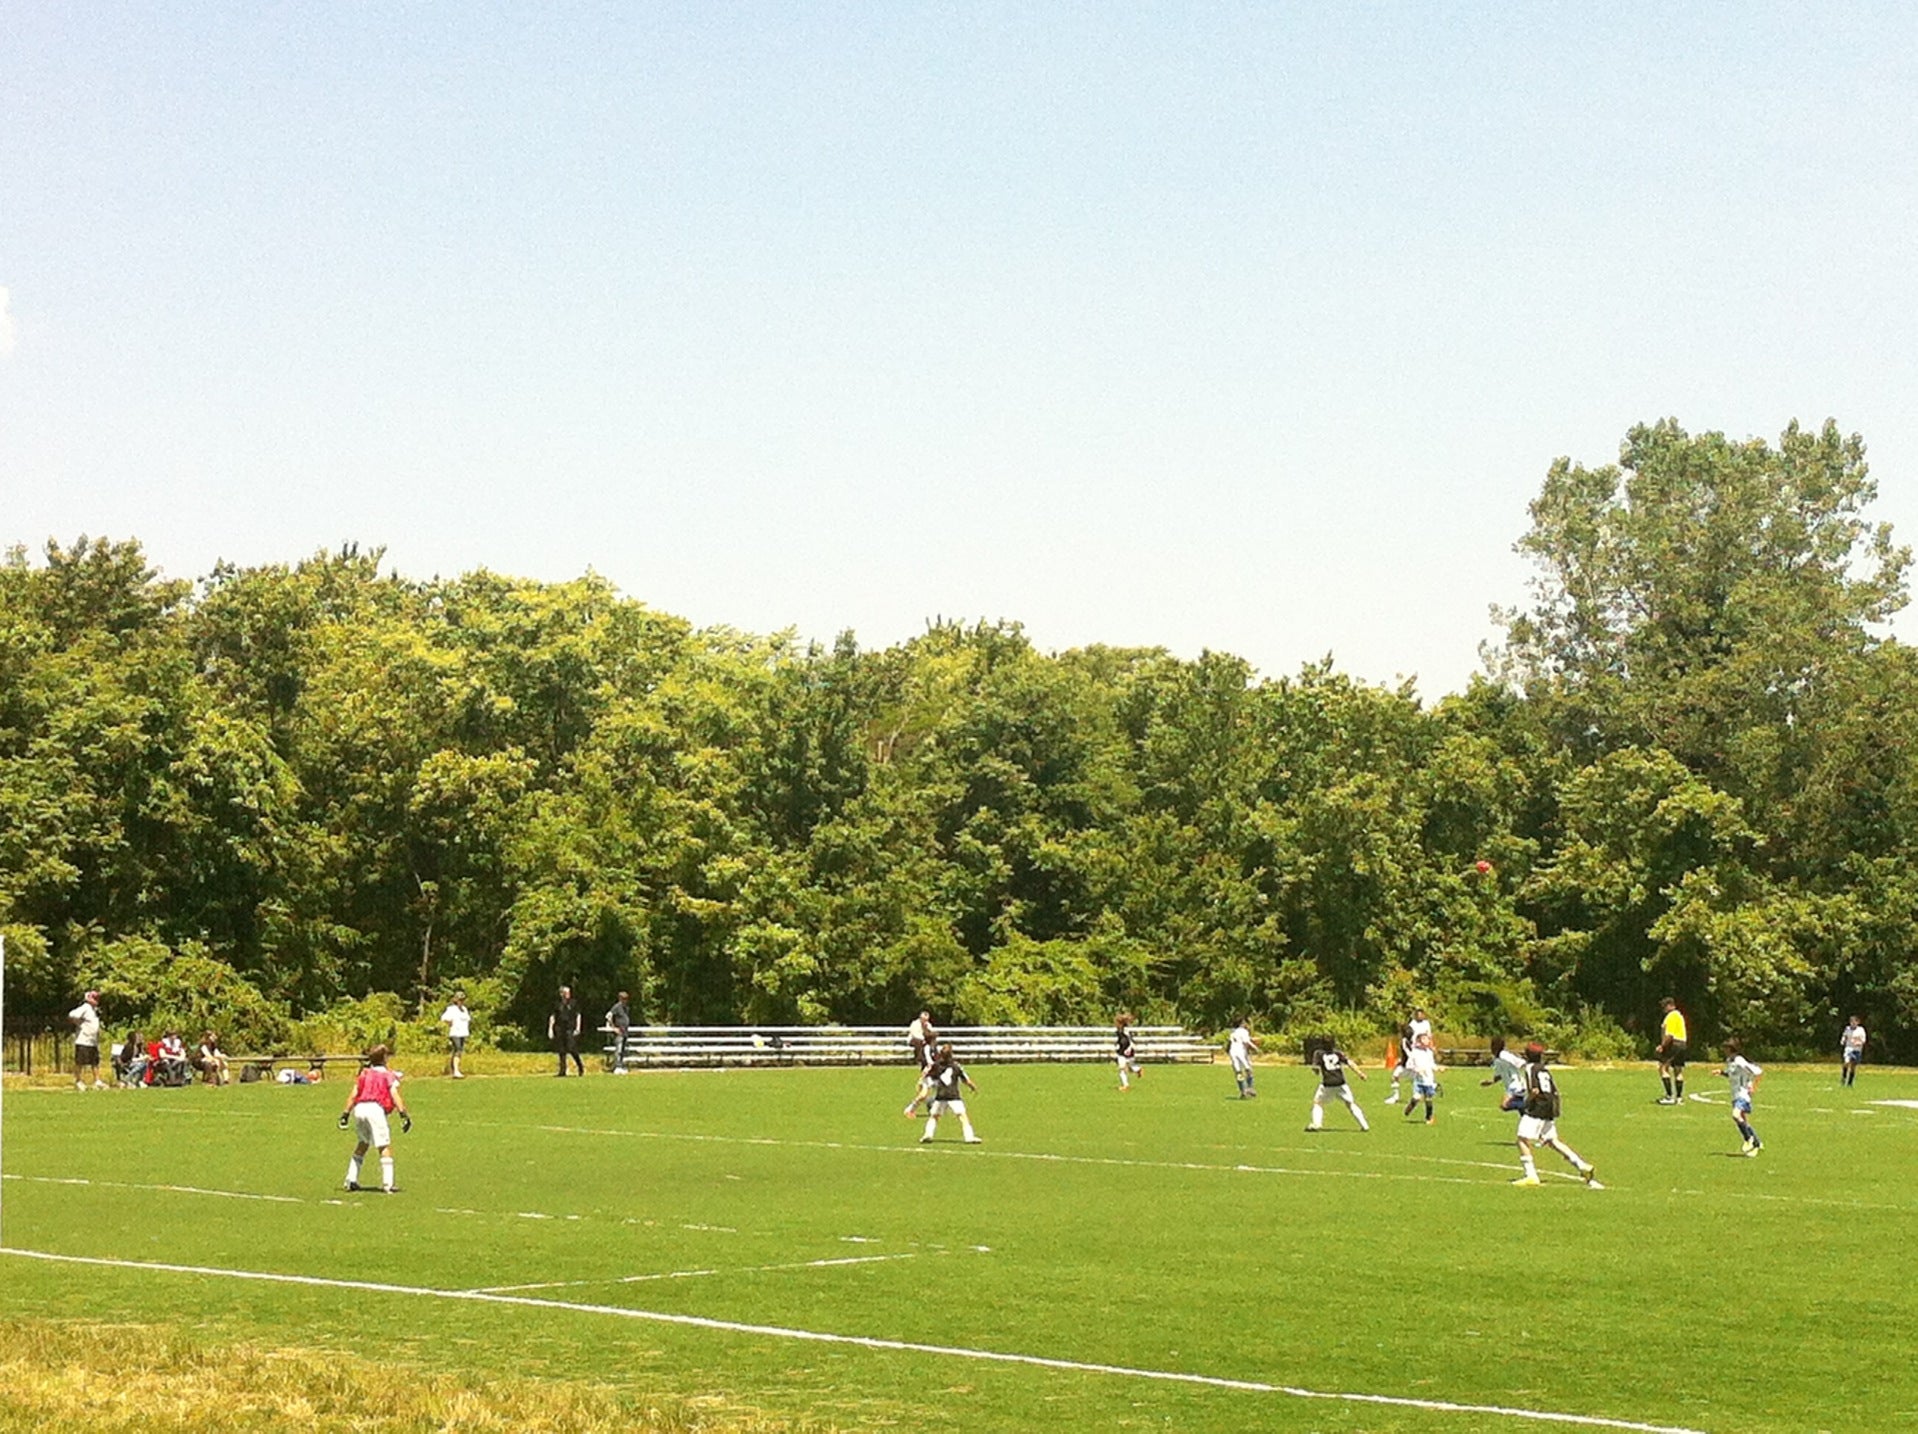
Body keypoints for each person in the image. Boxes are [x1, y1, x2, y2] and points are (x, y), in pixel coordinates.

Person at [1512, 1043, 1601, 1188]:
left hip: (1538, 1107)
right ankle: (1582, 1165)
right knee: (1552, 1141)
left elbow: (1534, 1090)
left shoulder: (1530, 1068)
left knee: (1522, 1139)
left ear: (1526, 1055)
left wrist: (1527, 1102)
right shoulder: (1544, 1069)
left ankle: (1531, 1175)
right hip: (1550, 1106)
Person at [339, 1044, 411, 1193]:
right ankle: (388, 1184)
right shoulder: (388, 1075)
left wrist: (345, 1113)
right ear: (384, 1058)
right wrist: (403, 1113)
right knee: (384, 1146)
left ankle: (351, 1179)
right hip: (375, 1108)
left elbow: (354, 1094)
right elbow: (394, 1094)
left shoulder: (364, 1074)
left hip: (360, 1108)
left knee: (363, 1143)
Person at [919, 1043, 981, 1144]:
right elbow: (965, 1079)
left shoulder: (936, 1065)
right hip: (953, 1095)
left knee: (934, 1116)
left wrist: (922, 1082)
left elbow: (926, 1073)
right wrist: (973, 1087)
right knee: (962, 1116)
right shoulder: (956, 1066)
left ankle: (928, 1135)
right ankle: (969, 1137)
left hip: (941, 1095)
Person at [1304, 1041, 1369, 1132]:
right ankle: (1364, 1125)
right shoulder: (1338, 1053)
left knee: (1318, 1103)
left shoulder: (1319, 1053)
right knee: (1350, 1104)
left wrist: (1316, 1071)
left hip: (1328, 1084)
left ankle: (1316, 1124)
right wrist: (1360, 1073)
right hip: (1341, 1083)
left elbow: (1315, 1068)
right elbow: (1350, 1063)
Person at [1722, 1039, 1765, 1156]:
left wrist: (1753, 1087)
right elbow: (1731, 1074)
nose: (1724, 1050)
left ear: (1731, 1049)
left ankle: (1748, 1139)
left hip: (1743, 1094)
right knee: (1743, 1121)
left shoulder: (1739, 1060)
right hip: (1735, 1095)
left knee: (1735, 1115)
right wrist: (1721, 1072)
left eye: (1726, 1048)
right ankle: (1757, 1143)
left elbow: (1758, 1072)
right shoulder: (1729, 1061)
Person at [1385, 1008, 1430, 1105]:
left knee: (1395, 1077)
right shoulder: (1413, 1042)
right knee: (1417, 1080)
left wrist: (1403, 1062)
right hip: (1412, 1065)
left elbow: (1409, 1054)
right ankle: (1419, 1095)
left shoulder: (1404, 1042)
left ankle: (1396, 1096)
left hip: (1409, 1065)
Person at [68, 990, 108, 1091]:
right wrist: (78, 1022)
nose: (96, 1000)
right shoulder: (85, 1007)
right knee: (80, 1062)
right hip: (83, 1040)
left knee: (95, 1062)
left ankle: (97, 1081)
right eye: (94, 998)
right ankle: (78, 1081)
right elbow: (72, 1014)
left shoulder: (94, 1010)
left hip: (92, 1041)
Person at [902, 1010, 937, 1117]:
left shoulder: (932, 1047)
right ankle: (912, 1108)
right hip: (930, 1071)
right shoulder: (927, 1048)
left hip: (933, 1071)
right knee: (925, 1093)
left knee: (936, 1091)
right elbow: (929, 1063)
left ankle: (928, 1104)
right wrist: (922, 1076)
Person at [1480, 1035, 1527, 1112]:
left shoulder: (1504, 1055)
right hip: (1510, 1087)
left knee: (1505, 1105)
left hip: (1516, 1085)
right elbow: (1500, 1074)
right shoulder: (1497, 1059)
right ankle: (1528, 1108)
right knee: (1522, 1112)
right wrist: (1491, 1081)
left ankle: (1529, 1105)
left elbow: (1521, 1063)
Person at [1656, 997, 1689, 1104]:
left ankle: (1669, 1096)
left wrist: (1662, 1046)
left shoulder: (1670, 1017)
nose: (1663, 1009)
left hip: (1673, 1044)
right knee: (1678, 1070)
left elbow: (1669, 1034)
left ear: (1670, 1006)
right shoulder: (1679, 1016)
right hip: (1683, 1043)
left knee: (1663, 1068)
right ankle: (1679, 1098)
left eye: (1664, 1006)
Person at [1403, 1032, 1440, 1124]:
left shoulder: (1429, 1052)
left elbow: (1431, 1064)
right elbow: (1408, 1065)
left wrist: (1438, 1068)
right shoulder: (1415, 1052)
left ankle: (1429, 1118)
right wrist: (1417, 1069)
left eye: (1427, 1039)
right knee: (1416, 1098)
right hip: (1419, 1080)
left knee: (1428, 1099)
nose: (1427, 1040)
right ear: (1419, 1041)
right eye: (1424, 1039)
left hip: (1429, 1080)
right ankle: (1409, 1108)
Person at [549, 985, 584, 1077]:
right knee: (561, 1050)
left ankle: (580, 1066)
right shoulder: (557, 1004)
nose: (567, 994)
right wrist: (550, 1029)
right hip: (560, 1028)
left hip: (570, 1028)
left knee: (571, 1048)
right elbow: (553, 1016)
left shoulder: (573, 1003)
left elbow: (578, 1015)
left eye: (568, 992)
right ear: (561, 994)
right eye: (565, 993)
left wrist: (578, 1027)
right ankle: (562, 1070)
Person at [439, 991, 471, 1079]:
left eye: (463, 999)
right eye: (460, 999)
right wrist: (449, 1023)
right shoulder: (451, 1009)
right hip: (455, 1033)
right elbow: (443, 1018)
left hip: (463, 1033)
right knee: (458, 1050)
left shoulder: (464, 1009)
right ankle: (456, 1071)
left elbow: (467, 1019)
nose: (461, 1001)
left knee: (458, 1051)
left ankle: (454, 1069)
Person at [1228, 1017, 1259, 1098]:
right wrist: (1255, 1047)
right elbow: (1246, 1041)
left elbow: (1231, 1042)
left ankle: (1243, 1091)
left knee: (1238, 1072)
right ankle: (1250, 1088)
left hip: (1233, 1052)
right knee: (1248, 1070)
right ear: (1241, 1023)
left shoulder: (1233, 1032)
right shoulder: (1244, 1031)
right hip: (1241, 1052)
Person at [1114, 1013, 1143, 1091]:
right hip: (1122, 1051)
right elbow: (1120, 1040)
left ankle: (1126, 1085)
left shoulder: (1125, 1030)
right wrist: (1117, 1045)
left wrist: (1130, 1048)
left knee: (1126, 1068)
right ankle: (1137, 1070)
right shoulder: (1119, 1030)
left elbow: (1130, 1040)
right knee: (1125, 1068)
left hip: (1127, 1050)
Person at [606, 991, 633, 1073]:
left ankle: (621, 1065)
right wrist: (614, 1028)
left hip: (625, 1032)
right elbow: (608, 1016)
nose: (625, 1000)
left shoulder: (626, 1008)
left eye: (626, 999)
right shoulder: (616, 1007)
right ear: (620, 998)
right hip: (619, 1032)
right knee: (619, 1050)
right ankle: (617, 1066)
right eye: (624, 999)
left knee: (623, 1051)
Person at [1840, 1015, 1867, 1087]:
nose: (1853, 1023)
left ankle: (1850, 1082)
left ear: (1858, 1022)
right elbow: (1844, 1036)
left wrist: (1859, 1043)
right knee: (1846, 1062)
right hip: (1849, 1048)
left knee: (1853, 1066)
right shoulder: (1847, 1029)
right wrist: (1843, 1040)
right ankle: (1844, 1076)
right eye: (1851, 1022)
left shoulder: (1861, 1030)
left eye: (1854, 1022)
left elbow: (1863, 1039)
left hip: (1857, 1049)